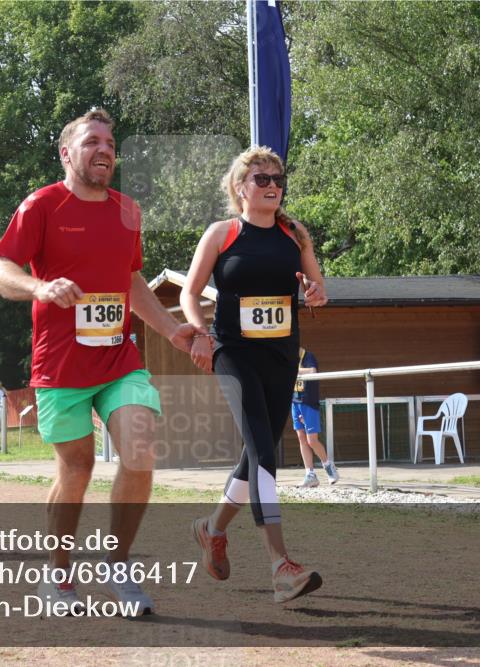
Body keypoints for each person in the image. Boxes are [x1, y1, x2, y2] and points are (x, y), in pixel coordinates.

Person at [0, 107, 200, 617]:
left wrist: (171, 329)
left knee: (140, 447)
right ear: (66, 153)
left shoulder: (128, 210)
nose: (104, 149)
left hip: (118, 359)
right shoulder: (41, 205)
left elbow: (130, 282)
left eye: (109, 141)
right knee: (76, 469)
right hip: (60, 366)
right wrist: (40, 286)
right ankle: (58, 576)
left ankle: (118, 564)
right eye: (91, 142)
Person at [180, 145, 329, 604]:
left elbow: (317, 286)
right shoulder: (222, 233)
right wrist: (201, 334)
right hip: (234, 353)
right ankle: (280, 565)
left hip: (282, 355)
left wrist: (315, 290)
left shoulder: (295, 234)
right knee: (265, 452)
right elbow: (189, 293)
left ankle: (212, 527)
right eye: (261, 179)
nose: (271, 187)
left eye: (277, 179)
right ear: (240, 187)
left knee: (255, 455)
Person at [293, 347, 338, 487]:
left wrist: (292, 371)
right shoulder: (286, 356)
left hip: (308, 402)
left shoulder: (308, 356)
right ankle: (310, 474)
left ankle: (329, 467)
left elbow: (313, 371)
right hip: (295, 402)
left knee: (312, 440)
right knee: (301, 437)